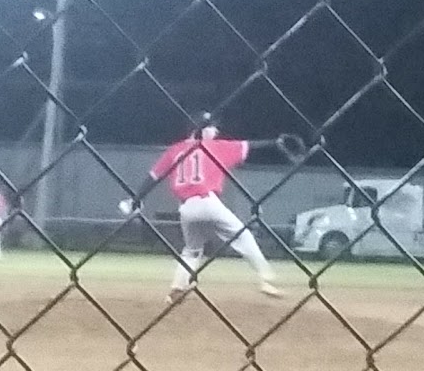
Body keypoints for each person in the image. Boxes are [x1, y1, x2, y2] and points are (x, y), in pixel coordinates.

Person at [119, 116, 304, 302]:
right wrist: (275, 143)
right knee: (243, 235)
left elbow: (153, 177)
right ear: (201, 130)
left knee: (191, 250)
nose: (215, 132)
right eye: (212, 128)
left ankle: (176, 288)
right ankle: (266, 279)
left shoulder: (174, 150)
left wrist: (136, 199)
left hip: (186, 209)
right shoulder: (215, 147)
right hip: (208, 202)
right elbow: (250, 146)